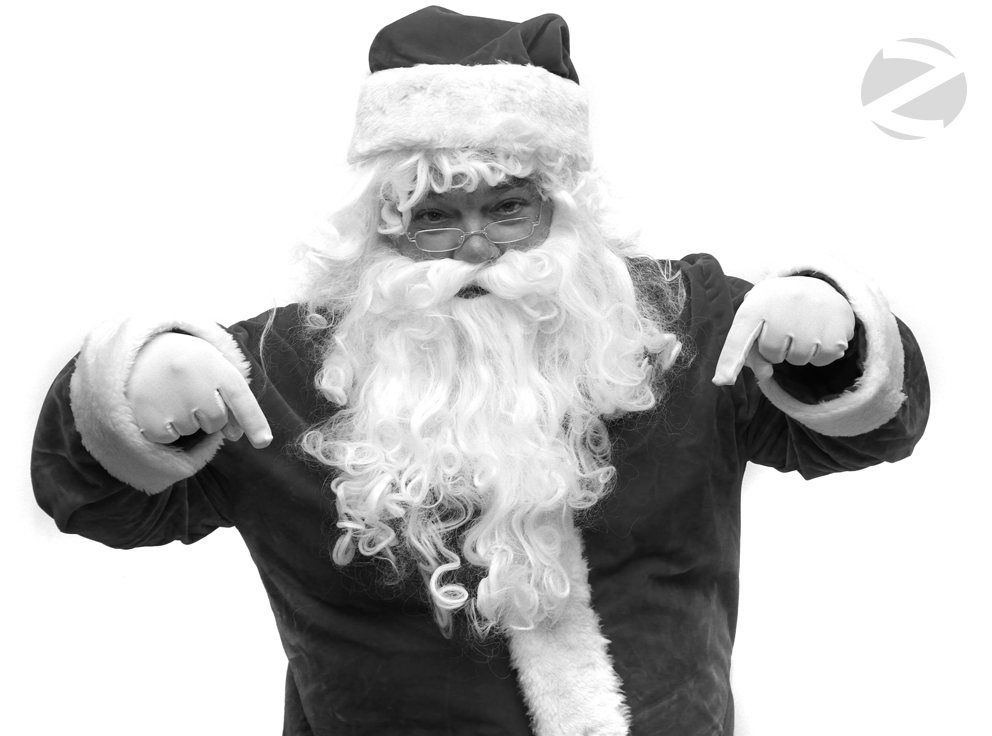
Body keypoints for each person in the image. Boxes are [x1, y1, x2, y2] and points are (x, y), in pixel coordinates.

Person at [31, 7, 929, 736]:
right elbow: (101, 504)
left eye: (508, 210)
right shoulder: (283, 371)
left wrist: (838, 330)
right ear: (380, 227)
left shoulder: (678, 327)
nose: (474, 248)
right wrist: (128, 388)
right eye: (433, 217)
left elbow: (869, 434)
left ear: (564, 213)